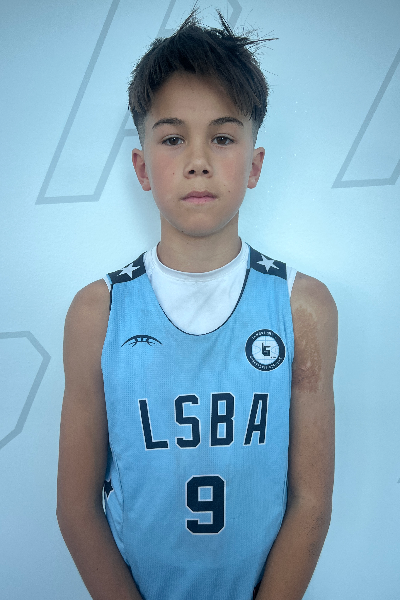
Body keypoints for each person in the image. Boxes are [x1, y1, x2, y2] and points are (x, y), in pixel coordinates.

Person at [57, 8, 337, 600]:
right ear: (142, 167)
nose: (198, 160)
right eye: (173, 137)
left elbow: (311, 500)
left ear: (254, 165)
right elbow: (76, 508)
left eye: (223, 137)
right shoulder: (97, 313)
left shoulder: (302, 307)